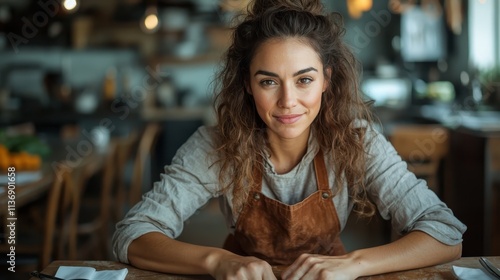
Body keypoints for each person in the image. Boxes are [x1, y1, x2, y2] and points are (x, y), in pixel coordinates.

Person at [112, 0, 466, 279]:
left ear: (327, 79)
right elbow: (132, 234)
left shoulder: (358, 140)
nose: (287, 101)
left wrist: (353, 265)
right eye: (268, 81)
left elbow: (445, 233)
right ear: (248, 85)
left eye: (304, 80)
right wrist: (217, 261)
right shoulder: (216, 144)